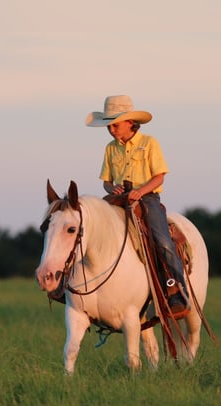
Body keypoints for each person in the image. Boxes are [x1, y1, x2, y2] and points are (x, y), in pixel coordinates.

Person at [86, 95, 189, 314]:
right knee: (91, 232)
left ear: (130, 122)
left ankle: (176, 290)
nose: (111, 129)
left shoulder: (149, 143)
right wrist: (110, 189)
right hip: (118, 199)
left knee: (162, 241)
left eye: (115, 124)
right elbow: (106, 181)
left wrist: (140, 192)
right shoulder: (110, 148)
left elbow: (159, 177)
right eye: (109, 126)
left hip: (147, 198)